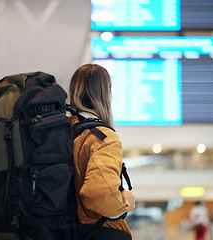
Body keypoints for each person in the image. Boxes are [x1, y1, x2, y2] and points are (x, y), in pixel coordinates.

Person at [68, 63, 136, 239]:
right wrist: (125, 203)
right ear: (106, 94)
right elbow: (98, 194)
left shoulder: (64, 132)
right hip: (97, 231)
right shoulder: (103, 137)